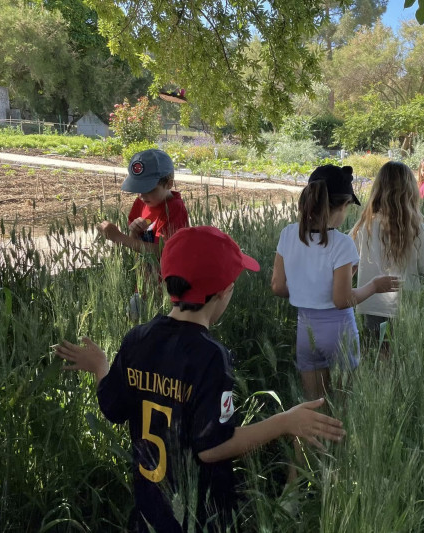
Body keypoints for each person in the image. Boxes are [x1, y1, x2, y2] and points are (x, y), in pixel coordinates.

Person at [56, 226, 346, 532]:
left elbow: (112, 407)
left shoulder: (137, 339)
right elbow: (212, 447)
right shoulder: (211, 357)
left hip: (149, 513)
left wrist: (101, 365)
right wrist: (285, 422)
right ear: (223, 292)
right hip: (199, 516)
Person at [270, 164, 400, 401]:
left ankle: (310, 439)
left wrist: (309, 290)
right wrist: (374, 286)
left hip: (305, 331)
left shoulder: (288, 234)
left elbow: (278, 286)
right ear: (341, 206)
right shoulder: (341, 243)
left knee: (314, 405)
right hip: (338, 332)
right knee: (343, 404)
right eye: (348, 207)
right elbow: (342, 300)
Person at [350, 161, 424, 351]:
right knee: (404, 356)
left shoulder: (363, 227)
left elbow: (346, 265)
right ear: (410, 191)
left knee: (380, 355)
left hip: (372, 303)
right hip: (408, 303)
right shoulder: (417, 228)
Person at [97, 149, 190, 255]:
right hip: (145, 269)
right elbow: (134, 244)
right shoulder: (142, 202)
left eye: (148, 189)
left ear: (169, 184)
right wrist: (134, 232)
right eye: (138, 188)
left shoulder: (175, 208)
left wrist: (119, 237)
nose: (141, 195)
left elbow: (164, 251)